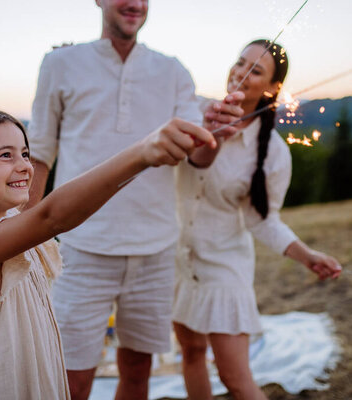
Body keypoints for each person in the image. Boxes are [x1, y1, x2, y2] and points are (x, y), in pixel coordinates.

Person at [0, 109, 216, 399]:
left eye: (26, 154)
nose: (25, 166)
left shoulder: (11, 228)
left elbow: (67, 208)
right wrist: (141, 153)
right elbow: (52, 216)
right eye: (6, 155)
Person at [26, 1, 243, 399]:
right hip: (81, 247)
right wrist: (23, 234)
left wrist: (215, 135)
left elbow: (198, 156)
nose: (136, 4)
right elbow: (39, 152)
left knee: (139, 370)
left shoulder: (173, 70)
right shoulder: (60, 63)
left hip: (156, 249)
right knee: (70, 380)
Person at [172, 39, 342, 400]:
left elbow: (264, 220)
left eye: (256, 70)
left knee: (236, 379)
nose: (241, 73)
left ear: (273, 88)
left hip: (223, 268)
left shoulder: (274, 153)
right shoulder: (191, 112)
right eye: (239, 62)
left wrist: (307, 255)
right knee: (191, 353)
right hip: (177, 259)